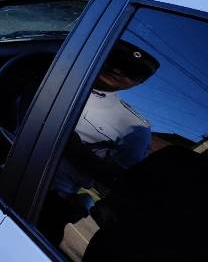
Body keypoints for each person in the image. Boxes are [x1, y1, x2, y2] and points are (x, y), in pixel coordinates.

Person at [39, 41, 159, 246]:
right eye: (115, 60)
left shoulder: (134, 127)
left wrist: (74, 149)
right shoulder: (57, 75)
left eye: (131, 71)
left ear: (138, 82)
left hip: (47, 199)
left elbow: (118, 180)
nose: (118, 69)